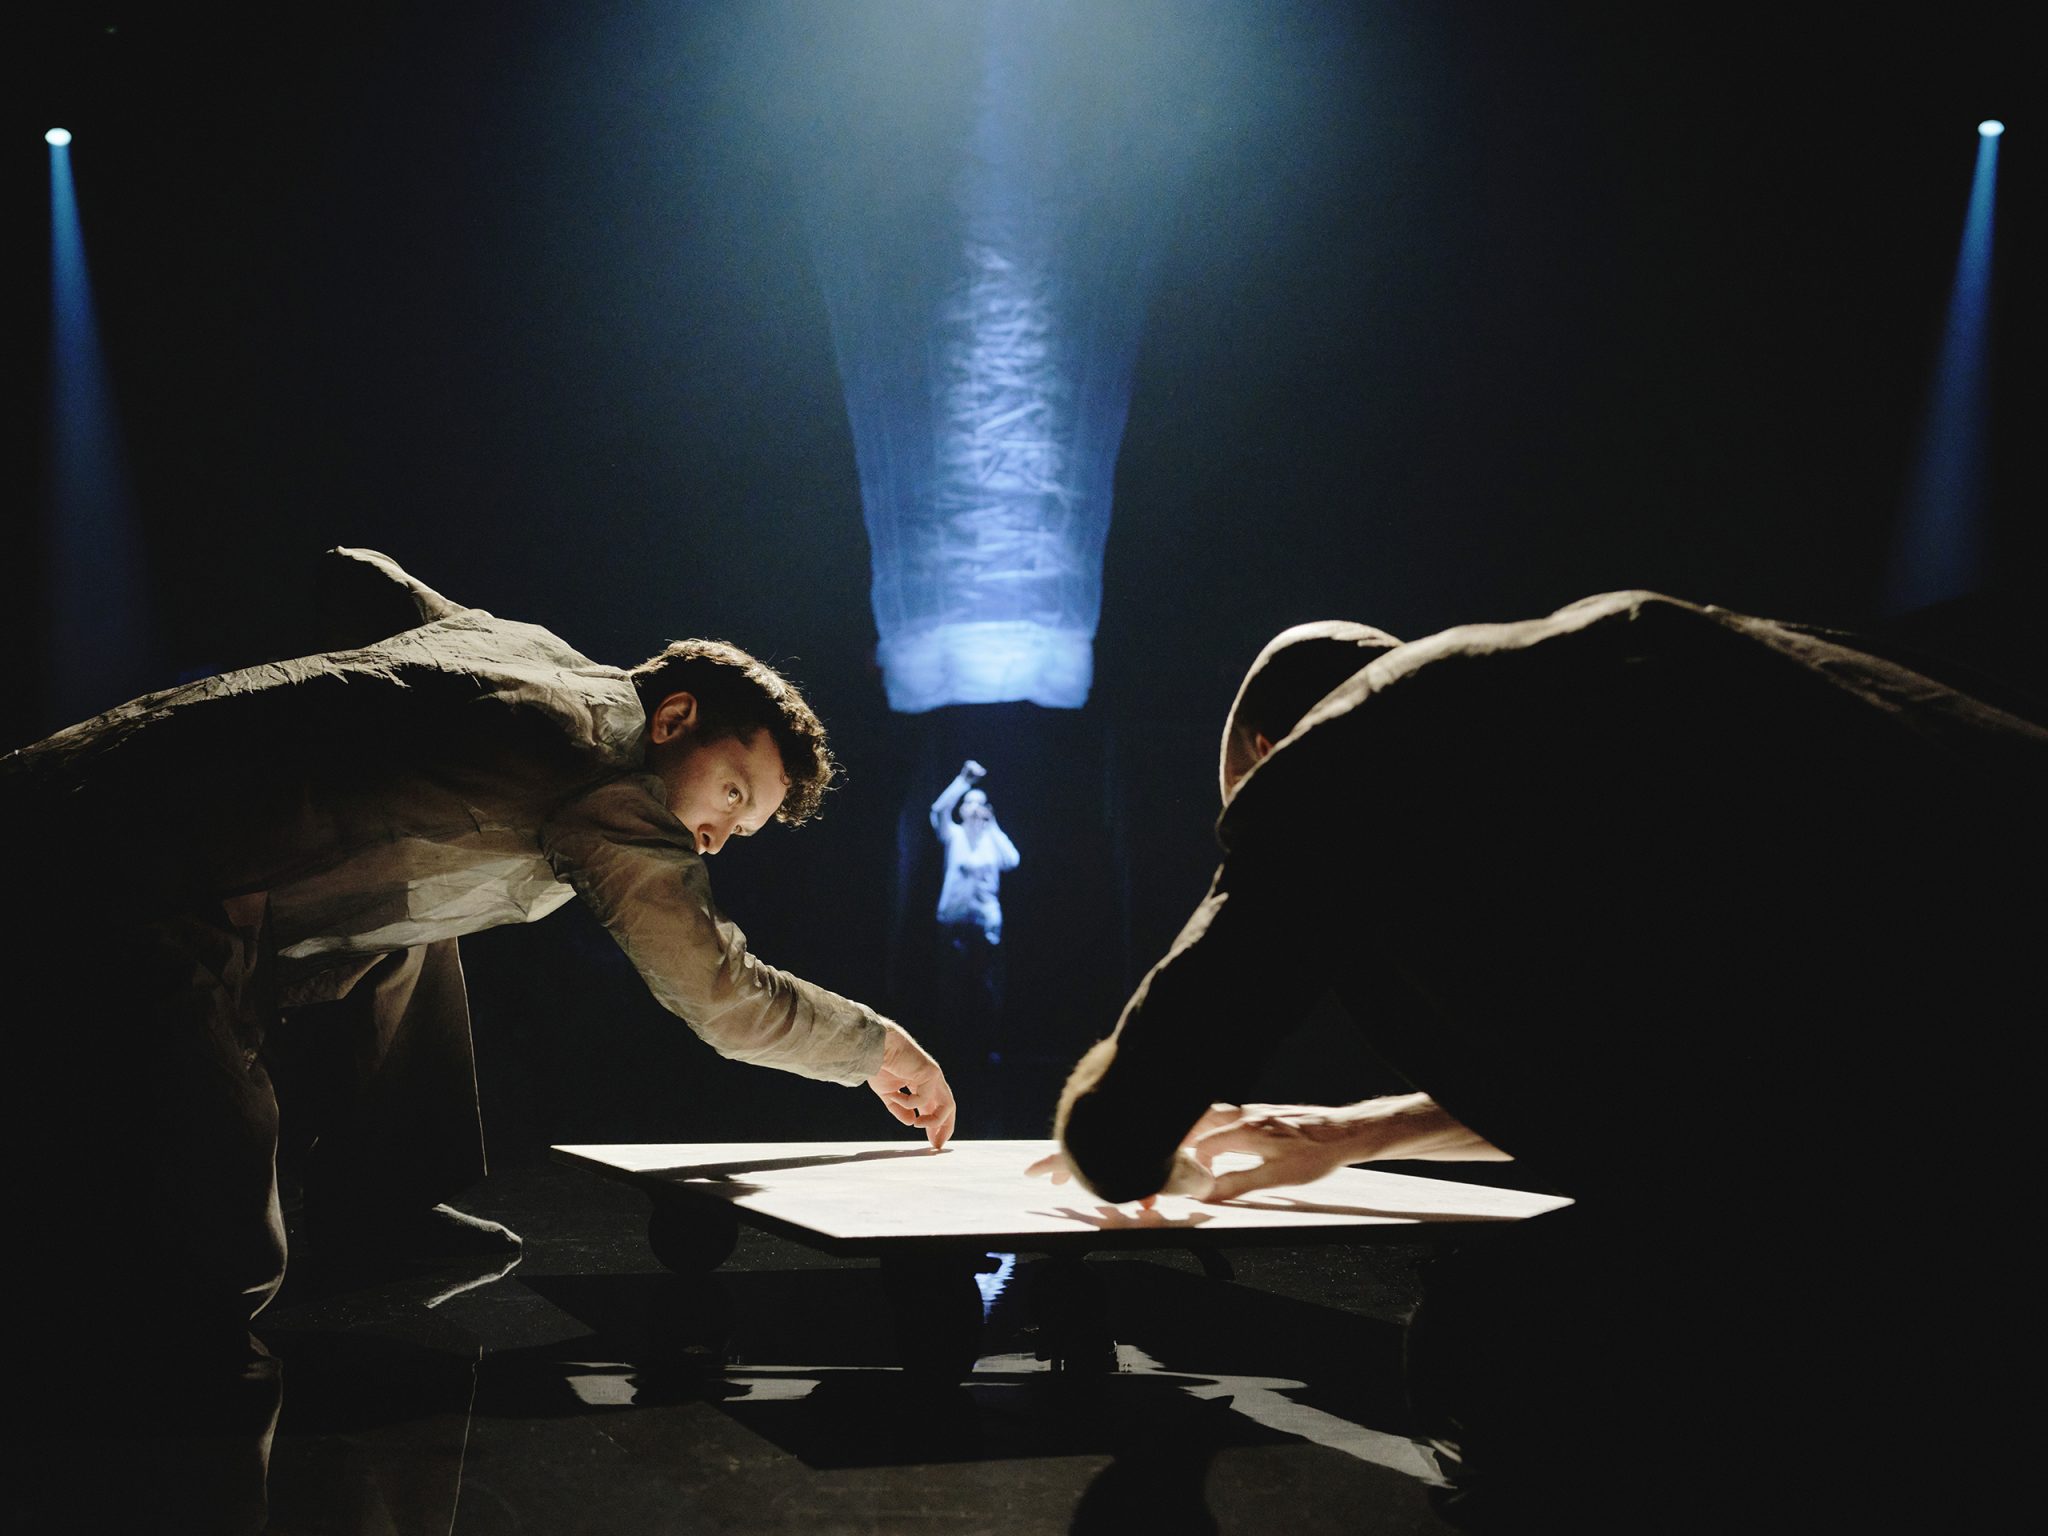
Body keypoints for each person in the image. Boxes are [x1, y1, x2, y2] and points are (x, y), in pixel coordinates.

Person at [1035, 591, 2046, 1524]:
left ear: (1266, 748)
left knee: (1499, 1342)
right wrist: (1348, 1134)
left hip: (1925, 1149)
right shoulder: (1593, 683)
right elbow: (1659, 1071)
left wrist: (1154, 1164)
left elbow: (1121, 1125)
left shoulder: (1344, 752)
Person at [3, 547, 955, 1352]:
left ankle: (386, 1209)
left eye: (738, 831)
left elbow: (367, 579)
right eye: (732, 795)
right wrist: (877, 1047)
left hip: (129, 803)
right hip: (139, 877)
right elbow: (719, 994)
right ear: (674, 720)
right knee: (218, 1272)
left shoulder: (536, 656)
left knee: (416, 939)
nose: (712, 838)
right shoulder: (609, 778)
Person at [927, 759, 1021, 1106]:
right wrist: (963, 782)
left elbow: (1012, 860)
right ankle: (951, 1050)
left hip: (984, 926)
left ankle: (987, 1048)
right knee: (951, 987)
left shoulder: (992, 841)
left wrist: (992, 824)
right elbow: (938, 810)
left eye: (981, 805)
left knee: (986, 989)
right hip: (953, 923)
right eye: (970, 804)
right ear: (963, 809)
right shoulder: (953, 836)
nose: (975, 810)